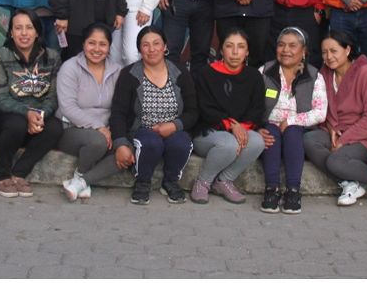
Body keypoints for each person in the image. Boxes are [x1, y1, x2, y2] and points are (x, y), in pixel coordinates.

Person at [109, 27, 199, 205]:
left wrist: (174, 125)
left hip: (173, 129)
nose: (151, 49)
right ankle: (142, 181)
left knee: (181, 142)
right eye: (145, 45)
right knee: (151, 142)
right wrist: (120, 144)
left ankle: (170, 181)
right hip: (142, 131)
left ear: (165, 46)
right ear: (139, 50)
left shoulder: (180, 72)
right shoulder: (129, 74)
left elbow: (193, 111)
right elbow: (118, 112)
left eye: (156, 43)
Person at [0, 9, 63, 198]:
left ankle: (19, 173)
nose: (24, 33)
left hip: (36, 122)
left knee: (55, 127)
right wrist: (26, 113)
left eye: (29, 27)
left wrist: (40, 115)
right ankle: (2, 174)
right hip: (5, 123)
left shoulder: (52, 57)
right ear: (10, 32)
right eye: (18, 28)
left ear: (37, 31)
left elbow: (53, 96)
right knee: (16, 123)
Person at [304, 30, 367, 208]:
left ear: (347, 50)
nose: (328, 57)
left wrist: (344, 139)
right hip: (337, 130)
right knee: (309, 140)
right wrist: (332, 128)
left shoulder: (365, 72)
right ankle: (349, 183)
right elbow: (323, 106)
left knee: (336, 161)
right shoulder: (325, 73)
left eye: (334, 51)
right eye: (324, 52)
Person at [188, 29, 266, 205]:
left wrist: (242, 129)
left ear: (247, 52)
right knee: (228, 144)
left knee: (257, 141)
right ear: (222, 50)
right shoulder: (205, 73)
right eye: (230, 46)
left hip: (240, 129)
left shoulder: (254, 76)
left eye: (241, 47)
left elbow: (257, 109)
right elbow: (204, 108)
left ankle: (224, 181)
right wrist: (232, 126)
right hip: (208, 131)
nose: (235, 52)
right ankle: (203, 182)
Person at [258, 27, 328, 214]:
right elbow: (251, 105)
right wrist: (257, 127)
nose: (285, 50)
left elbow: (320, 112)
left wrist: (291, 121)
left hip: (299, 128)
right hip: (269, 124)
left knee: (292, 132)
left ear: (304, 51)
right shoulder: (265, 71)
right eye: (281, 45)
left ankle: (293, 191)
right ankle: (271, 189)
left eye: (292, 46)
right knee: (270, 133)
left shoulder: (314, 76)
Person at [56, 22, 124, 201]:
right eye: (91, 43)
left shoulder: (117, 71)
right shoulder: (70, 68)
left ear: (109, 47)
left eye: (102, 44)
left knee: (127, 150)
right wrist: (99, 127)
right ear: (83, 44)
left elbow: (121, 107)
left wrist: (112, 131)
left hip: (106, 130)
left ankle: (81, 181)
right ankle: (82, 176)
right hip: (71, 128)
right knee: (97, 142)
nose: (97, 49)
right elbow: (67, 107)